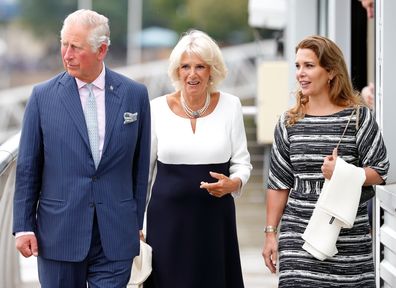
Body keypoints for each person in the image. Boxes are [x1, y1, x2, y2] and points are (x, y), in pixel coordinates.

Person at [13, 9, 151, 288]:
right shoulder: (42, 97)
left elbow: (140, 166)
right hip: (59, 234)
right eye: (64, 44)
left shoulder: (135, 95)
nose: (66, 54)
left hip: (115, 234)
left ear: (101, 50)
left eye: (75, 47)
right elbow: (28, 167)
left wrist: (135, 222)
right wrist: (24, 226)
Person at [262, 35, 389, 287]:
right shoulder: (288, 122)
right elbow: (279, 184)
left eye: (309, 66)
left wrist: (342, 172)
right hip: (298, 238)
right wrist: (270, 234)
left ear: (330, 71)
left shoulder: (358, 118)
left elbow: (381, 170)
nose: (301, 73)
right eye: (298, 66)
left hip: (348, 240)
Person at [144, 29, 252, 288]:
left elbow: (242, 162)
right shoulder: (156, 108)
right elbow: (143, 173)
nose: (192, 74)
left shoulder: (231, 105)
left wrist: (234, 183)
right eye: (185, 67)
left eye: (200, 66)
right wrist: (136, 223)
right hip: (166, 222)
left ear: (211, 70)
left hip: (215, 220)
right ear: (177, 71)